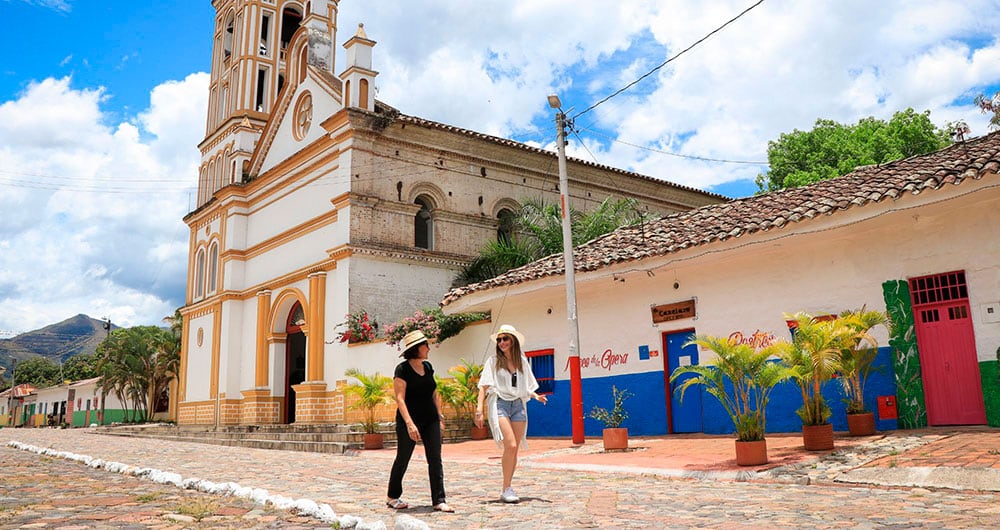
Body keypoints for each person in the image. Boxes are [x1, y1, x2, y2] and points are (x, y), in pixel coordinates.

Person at [475, 324, 548, 504]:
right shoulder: (493, 362)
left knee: (513, 450)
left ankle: (507, 487)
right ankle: (506, 488)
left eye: (505, 338)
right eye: (499, 340)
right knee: (511, 444)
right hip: (499, 403)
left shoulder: (522, 362)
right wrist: (478, 410)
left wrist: (536, 396)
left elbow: (525, 386)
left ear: (513, 340)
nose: (501, 342)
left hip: (518, 405)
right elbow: (483, 387)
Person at [385, 329, 454, 513]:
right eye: (426, 345)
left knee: (435, 459)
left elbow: (434, 393)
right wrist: (409, 424)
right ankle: (392, 496)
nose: (429, 348)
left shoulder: (429, 367)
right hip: (409, 420)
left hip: (430, 419)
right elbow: (400, 398)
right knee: (403, 457)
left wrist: (440, 416)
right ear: (417, 348)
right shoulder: (402, 369)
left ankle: (439, 499)